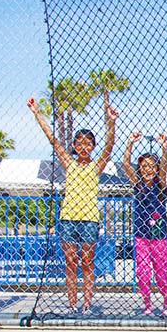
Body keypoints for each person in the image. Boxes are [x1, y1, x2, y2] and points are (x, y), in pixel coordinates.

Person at [27, 95, 117, 313]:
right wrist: (37, 113)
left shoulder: (96, 166)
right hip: (68, 218)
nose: (84, 147)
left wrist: (112, 123)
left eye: (88, 143)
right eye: (80, 143)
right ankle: (72, 305)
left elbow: (110, 145)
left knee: (88, 262)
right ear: (75, 146)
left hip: (89, 220)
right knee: (70, 263)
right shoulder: (70, 163)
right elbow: (53, 140)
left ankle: (87, 304)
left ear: (92, 146)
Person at [123, 131, 167, 316]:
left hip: (159, 237)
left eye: (152, 166)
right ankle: (147, 304)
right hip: (141, 236)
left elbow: (164, 167)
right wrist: (130, 142)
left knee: (161, 272)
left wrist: (164, 147)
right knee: (143, 272)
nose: (148, 169)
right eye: (144, 166)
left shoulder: (160, 184)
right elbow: (126, 164)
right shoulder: (137, 184)